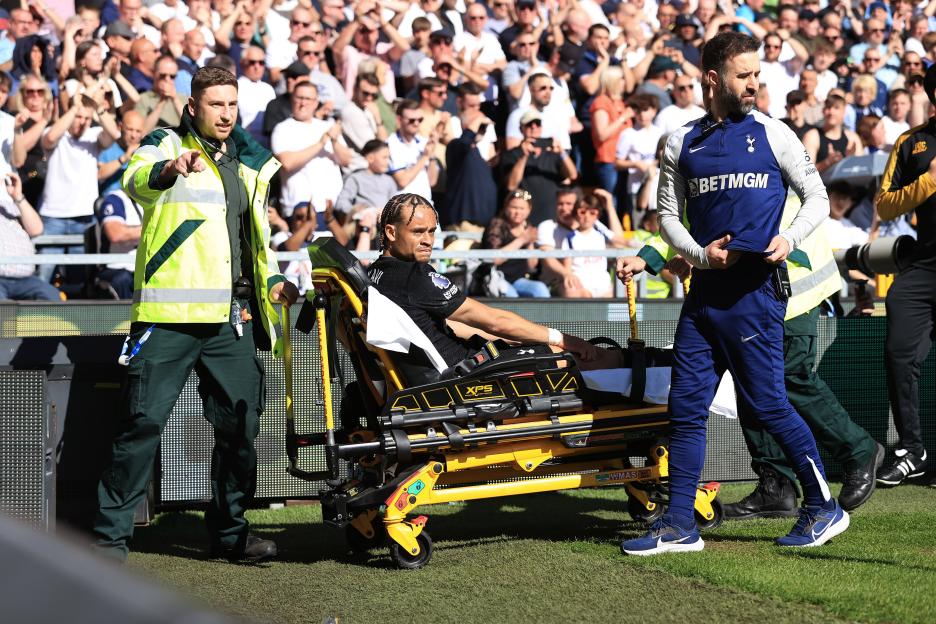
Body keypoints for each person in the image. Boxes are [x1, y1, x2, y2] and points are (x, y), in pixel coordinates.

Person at [621, 32, 847, 556]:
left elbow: (818, 196)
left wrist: (788, 237)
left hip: (755, 293)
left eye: (758, 76)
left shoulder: (775, 134)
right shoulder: (680, 142)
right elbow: (668, 220)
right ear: (713, 79)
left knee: (768, 406)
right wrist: (701, 257)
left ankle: (822, 506)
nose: (754, 85)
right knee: (685, 409)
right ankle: (679, 524)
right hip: (703, 297)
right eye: (744, 76)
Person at [93, 66, 299, 563]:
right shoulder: (164, 141)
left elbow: (254, 243)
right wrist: (170, 169)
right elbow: (135, 177)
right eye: (215, 104)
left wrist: (272, 283)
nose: (225, 113)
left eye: (232, 104)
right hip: (170, 318)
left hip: (233, 321)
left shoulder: (249, 163)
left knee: (241, 433)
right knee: (140, 429)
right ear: (193, 107)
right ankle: (107, 547)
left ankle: (231, 535)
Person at [368, 192, 601, 379]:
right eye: (418, 232)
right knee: (562, 355)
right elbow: (495, 321)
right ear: (391, 232)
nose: (428, 240)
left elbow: (449, 326)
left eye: (431, 231)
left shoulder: (376, 274)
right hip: (464, 375)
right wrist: (560, 338)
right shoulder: (415, 276)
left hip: (460, 364)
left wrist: (515, 339)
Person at [873, 64, 936, 488]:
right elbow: (884, 205)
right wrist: (929, 182)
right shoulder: (911, 142)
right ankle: (912, 450)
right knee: (899, 351)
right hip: (925, 263)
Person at [478, 190, 550, 298]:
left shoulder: (527, 227)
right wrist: (521, 240)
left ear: (529, 210)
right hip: (496, 278)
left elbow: (531, 266)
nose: (517, 212)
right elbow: (494, 259)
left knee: (540, 289)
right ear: (506, 207)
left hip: (518, 280)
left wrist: (530, 242)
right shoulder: (497, 224)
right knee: (512, 297)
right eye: (514, 207)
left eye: (522, 208)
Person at [0, 172, 60, 301]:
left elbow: (36, 229)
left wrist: (18, 197)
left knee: (52, 296)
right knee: (4, 309)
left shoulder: (9, 206)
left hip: (25, 279)